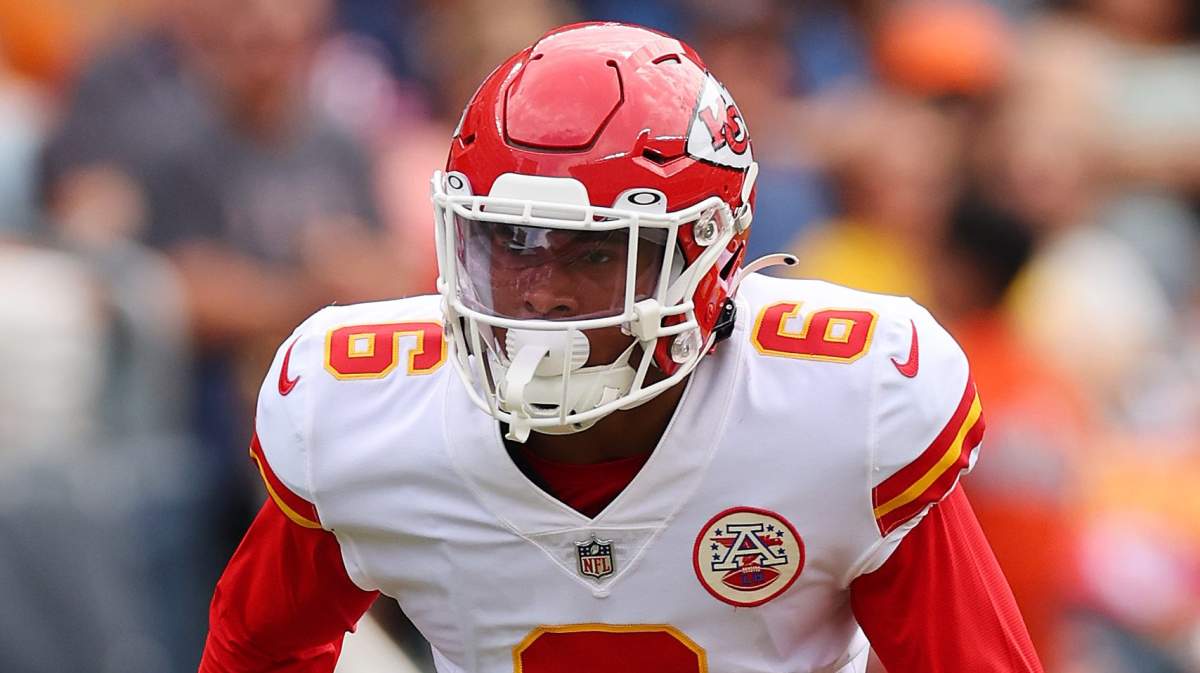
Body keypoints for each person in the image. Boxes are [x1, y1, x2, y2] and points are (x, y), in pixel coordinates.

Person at [200, 22, 1043, 673]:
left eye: (598, 250)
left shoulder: (841, 409)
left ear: (709, 257)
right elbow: (254, 653)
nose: (542, 291)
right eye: (511, 241)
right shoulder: (364, 413)